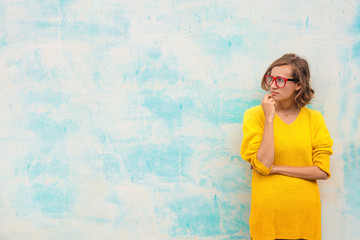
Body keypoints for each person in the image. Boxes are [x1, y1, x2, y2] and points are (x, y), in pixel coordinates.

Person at [240, 53, 333, 240]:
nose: (273, 85)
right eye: (270, 78)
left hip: (304, 218)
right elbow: (263, 164)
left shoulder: (314, 119)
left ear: (298, 85)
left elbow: (322, 170)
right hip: (268, 220)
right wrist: (269, 118)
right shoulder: (254, 116)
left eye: (280, 80)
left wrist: (277, 169)